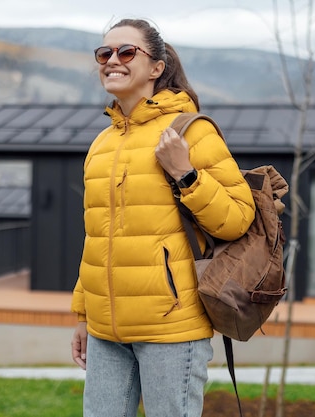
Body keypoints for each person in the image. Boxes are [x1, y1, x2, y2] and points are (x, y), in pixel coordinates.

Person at [70, 18, 256, 417]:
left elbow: (238, 218)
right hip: (106, 332)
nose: (112, 61)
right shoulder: (101, 144)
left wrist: (185, 174)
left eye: (126, 52)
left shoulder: (190, 132)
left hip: (171, 328)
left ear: (156, 67)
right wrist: (84, 315)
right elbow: (96, 239)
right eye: (105, 53)